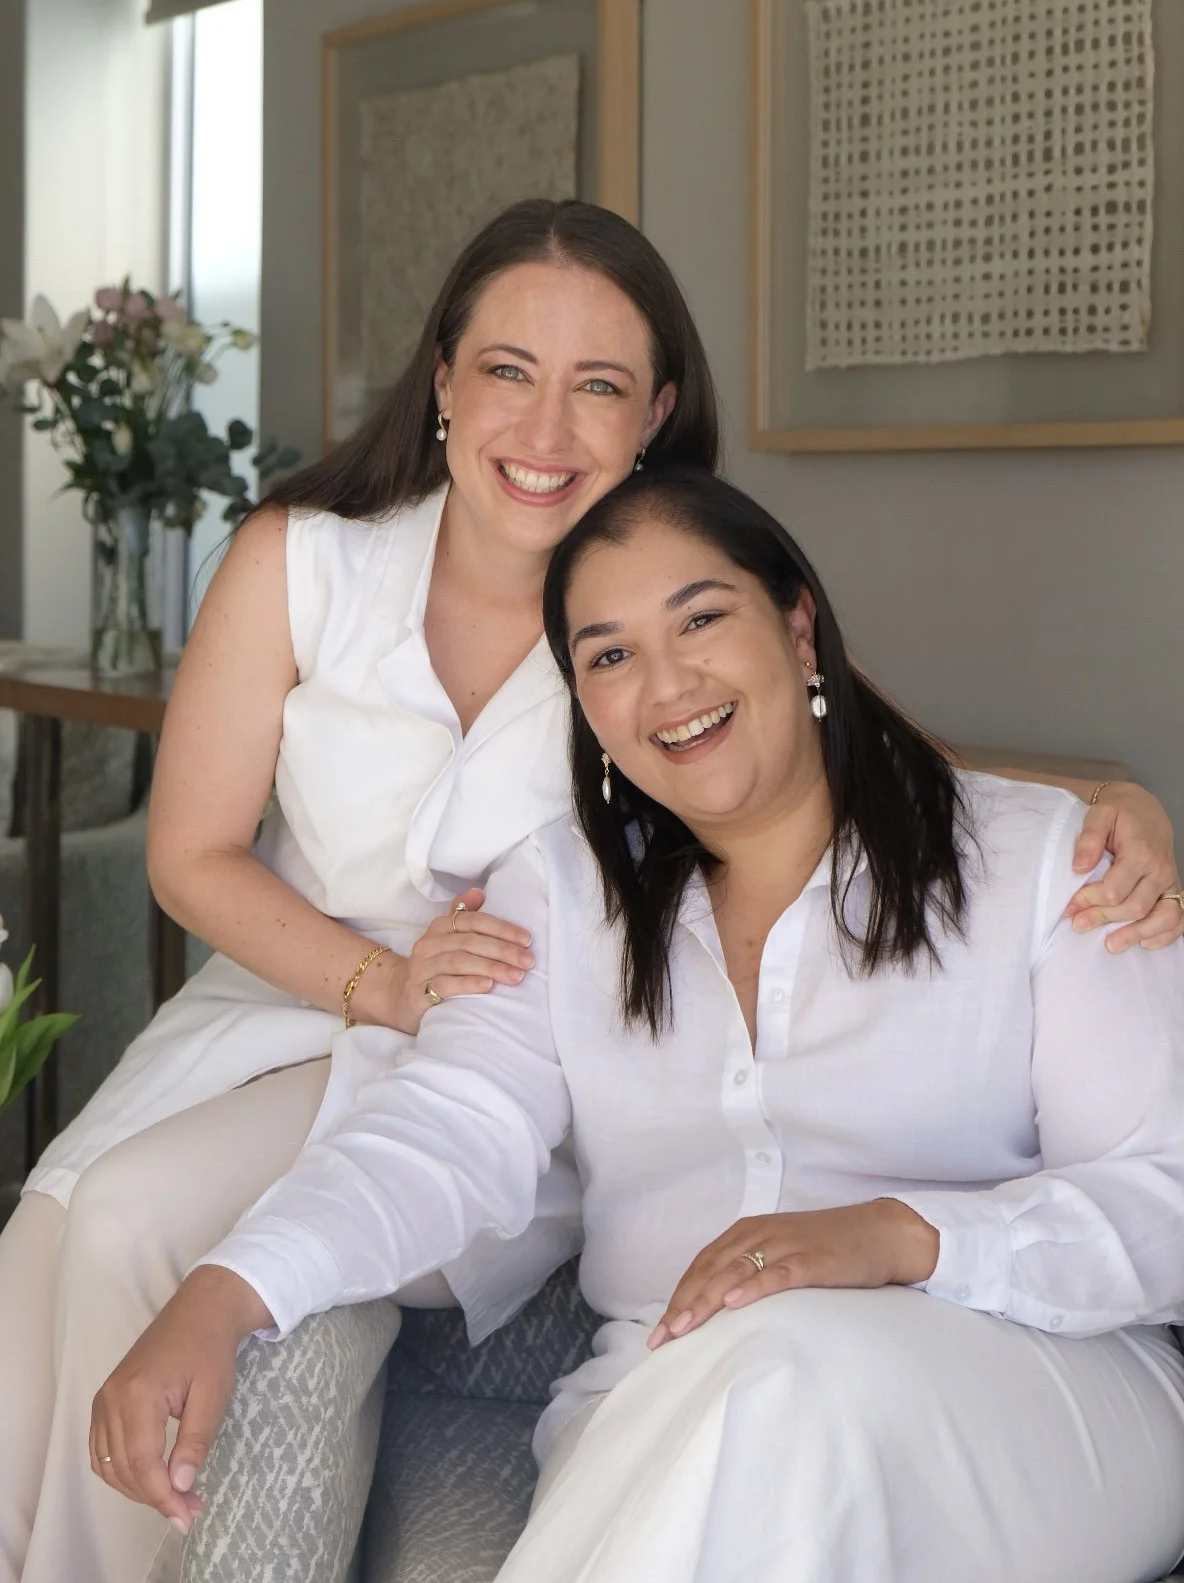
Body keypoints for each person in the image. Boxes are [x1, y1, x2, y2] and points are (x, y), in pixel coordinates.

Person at [96, 470, 1184, 1583]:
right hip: (673, 1412)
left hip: (1040, 1393)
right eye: (609, 655)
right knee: (760, 1391)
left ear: (798, 626)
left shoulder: (1051, 863)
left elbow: (1164, 1201)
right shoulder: (559, 895)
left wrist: (900, 1237)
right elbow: (445, 1126)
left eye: (701, 619)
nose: (666, 684)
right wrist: (228, 1289)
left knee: (785, 1365)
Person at [0, 197, 720, 1583]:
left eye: (598, 387)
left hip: (505, 1073)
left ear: (655, 415)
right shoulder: (305, 554)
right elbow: (191, 853)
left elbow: (853, 752)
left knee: (134, 1216)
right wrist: (376, 981)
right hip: (278, 1001)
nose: (546, 428)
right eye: (507, 370)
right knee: (42, 1245)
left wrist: (1102, 815)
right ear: (442, 378)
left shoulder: (684, 601)